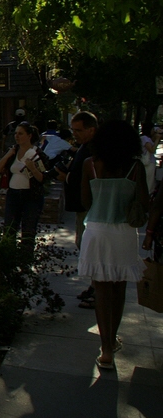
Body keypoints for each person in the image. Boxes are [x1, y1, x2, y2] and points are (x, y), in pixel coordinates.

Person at [78, 120, 149, 370]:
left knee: (101, 291)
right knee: (118, 290)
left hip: (96, 230)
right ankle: (112, 341)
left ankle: (105, 348)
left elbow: (86, 201)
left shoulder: (90, 165)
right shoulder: (135, 167)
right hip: (123, 233)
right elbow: (143, 202)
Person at [55, 111, 98, 306]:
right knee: (84, 245)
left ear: (92, 129)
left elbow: (90, 179)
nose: (75, 134)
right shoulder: (83, 147)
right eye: (73, 130)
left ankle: (98, 289)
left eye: (79, 130)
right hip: (81, 206)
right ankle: (95, 285)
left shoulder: (95, 150)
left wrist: (68, 177)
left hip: (89, 206)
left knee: (90, 248)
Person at [0, 122, 45, 250]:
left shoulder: (37, 154)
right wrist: (8, 155)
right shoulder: (13, 152)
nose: (17, 136)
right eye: (16, 133)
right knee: (9, 229)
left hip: (31, 196)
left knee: (28, 231)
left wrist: (33, 168)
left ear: (29, 136)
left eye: (20, 133)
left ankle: (25, 262)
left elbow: (42, 178)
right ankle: (9, 261)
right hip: (13, 195)